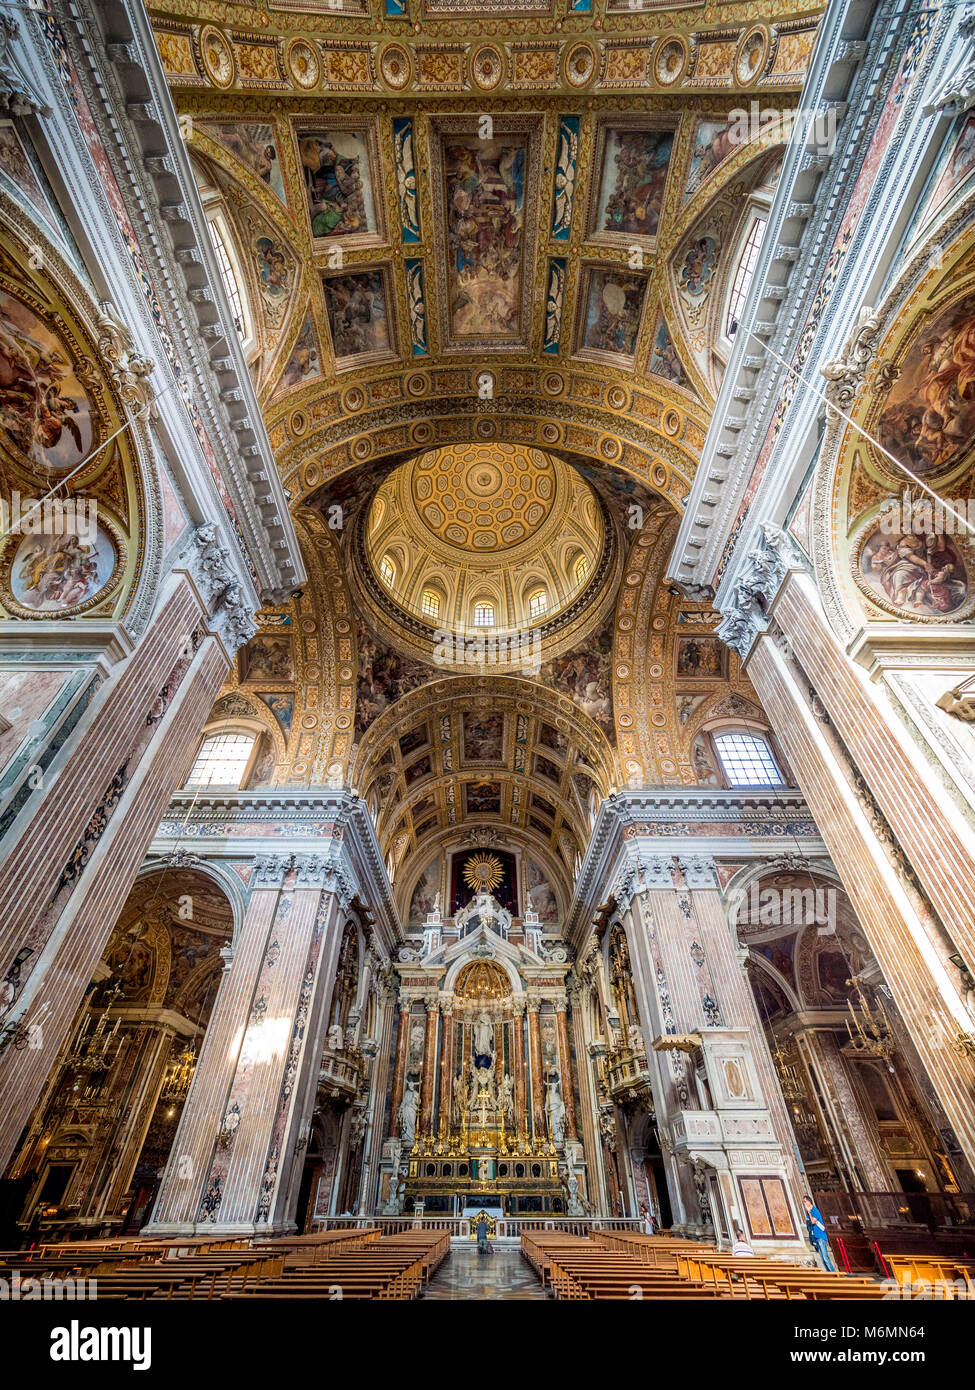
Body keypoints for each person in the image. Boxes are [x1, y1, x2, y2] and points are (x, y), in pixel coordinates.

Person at [803, 1195, 837, 1272]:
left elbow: (813, 1221)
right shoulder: (808, 1213)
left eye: (805, 1201)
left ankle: (833, 1272)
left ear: (809, 1202)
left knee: (825, 1257)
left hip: (820, 1236)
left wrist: (809, 1212)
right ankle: (829, 1272)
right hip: (815, 1236)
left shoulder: (815, 1211)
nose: (804, 1203)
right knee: (822, 1258)